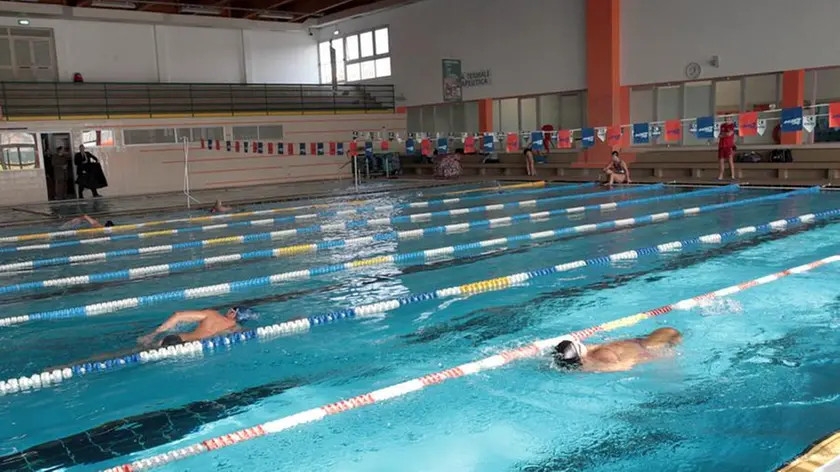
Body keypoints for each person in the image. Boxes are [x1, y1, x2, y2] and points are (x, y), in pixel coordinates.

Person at [552, 327, 682, 373]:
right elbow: (624, 366)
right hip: (611, 359)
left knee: (574, 357)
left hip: (601, 350)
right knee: (580, 368)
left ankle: (570, 357)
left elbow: (598, 346)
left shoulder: (635, 340)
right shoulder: (660, 354)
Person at [137, 306, 257, 347]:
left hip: (175, 339)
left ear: (233, 313)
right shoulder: (236, 329)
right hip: (192, 347)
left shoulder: (211, 314)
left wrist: (152, 334)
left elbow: (178, 315)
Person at [718, 116, 737, 180]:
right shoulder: (722, 125)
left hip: (729, 146)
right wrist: (725, 134)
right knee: (721, 161)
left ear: (731, 120)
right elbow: (719, 135)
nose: (727, 121)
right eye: (726, 119)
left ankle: (733, 175)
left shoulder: (732, 125)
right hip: (721, 146)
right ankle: (721, 175)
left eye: (729, 119)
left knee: (730, 161)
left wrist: (724, 134)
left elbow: (729, 134)